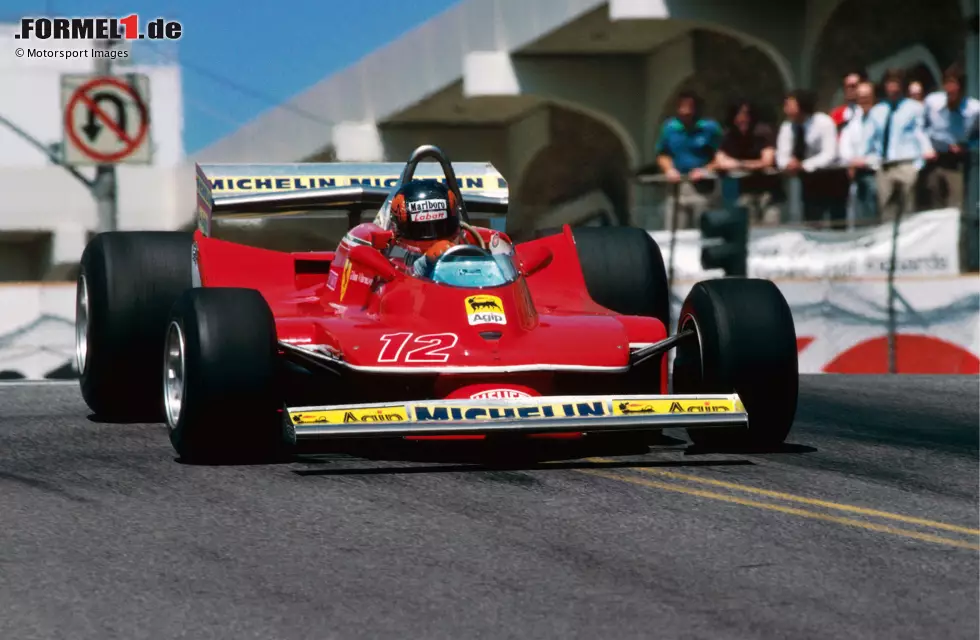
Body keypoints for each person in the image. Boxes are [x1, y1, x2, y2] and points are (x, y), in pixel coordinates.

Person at [864, 68, 936, 221]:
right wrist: (873, 162)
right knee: (886, 212)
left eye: (896, 83)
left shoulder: (914, 108)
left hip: (906, 164)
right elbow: (869, 140)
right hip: (885, 166)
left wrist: (918, 164)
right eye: (890, 83)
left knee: (908, 211)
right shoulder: (877, 110)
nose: (893, 88)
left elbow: (921, 134)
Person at [654, 90, 723, 229]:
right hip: (678, 187)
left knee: (705, 231)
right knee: (675, 231)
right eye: (682, 107)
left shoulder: (710, 128)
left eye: (689, 107)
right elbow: (662, 154)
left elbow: (721, 156)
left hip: (704, 188)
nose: (685, 111)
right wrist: (669, 169)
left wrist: (705, 170)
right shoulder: (670, 128)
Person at [776, 89, 845, 224]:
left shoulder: (823, 122)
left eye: (790, 104)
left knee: (837, 221)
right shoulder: (787, 127)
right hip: (808, 182)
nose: (786, 109)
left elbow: (830, 153)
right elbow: (781, 155)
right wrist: (788, 164)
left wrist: (804, 165)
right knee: (812, 221)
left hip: (832, 179)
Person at [714, 99, 783, 225]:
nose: (742, 119)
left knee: (772, 229)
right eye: (739, 114)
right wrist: (748, 165)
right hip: (745, 192)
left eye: (746, 114)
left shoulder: (764, 132)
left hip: (769, 192)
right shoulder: (730, 135)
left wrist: (739, 164)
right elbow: (719, 161)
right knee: (748, 230)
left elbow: (767, 161)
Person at [921, 63, 979, 211]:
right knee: (933, 206)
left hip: (956, 162)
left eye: (954, 89)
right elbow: (920, 129)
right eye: (947, 86)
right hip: (934, 159)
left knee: (955, 207)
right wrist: (927, 147)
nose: (950, 92)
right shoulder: (932, 102)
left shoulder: (974, 110)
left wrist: (967, 146)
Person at [838, 81, 879, 222]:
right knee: (857, 214)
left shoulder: (880, 118)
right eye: (861, 98)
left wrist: (866, 161)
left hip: (876, 171)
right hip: (856, 173)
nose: (864, 101)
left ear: (873, 97)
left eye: (867, 97)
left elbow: (884, 148)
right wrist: (851, 161)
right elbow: (845, 145)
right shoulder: (853, 121)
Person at [831, 71, 866, 136]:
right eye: (846, 87)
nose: (849, 90)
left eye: (853, 86)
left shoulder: (868, 112)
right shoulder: (837, 114)